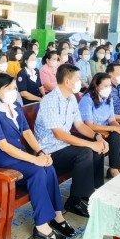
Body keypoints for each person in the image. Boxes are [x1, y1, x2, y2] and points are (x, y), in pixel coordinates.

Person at [0, 73, 76, 239]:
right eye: (9, 89)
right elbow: (3, 146)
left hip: (17, 154)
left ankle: (56, 215)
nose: (13, 92)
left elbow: (26, 132)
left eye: (15, 88)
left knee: (48, 166)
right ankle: (41, 226)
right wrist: (34, 160)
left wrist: (40, 152)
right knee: (37, 170)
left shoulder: (16, 107)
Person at [35, 64, 108, 217]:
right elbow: (59, 135)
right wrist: (90, 144)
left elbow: (79, 124)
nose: (80, 82)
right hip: (49, 150)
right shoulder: (50, 100)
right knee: (85, 153)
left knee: (97, 149)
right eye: (77, 79)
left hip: (64, 145)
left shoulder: (71, 99)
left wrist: (97, 137)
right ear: (67, 82)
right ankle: (75, 201)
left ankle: (90, 194)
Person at [79, 73, 120, 178]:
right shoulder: (87, 99)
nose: (108, 88)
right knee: (116, 137)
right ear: (96, 85)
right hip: (92, 131)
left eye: (109, 85)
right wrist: (115, 128)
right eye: (105, 86)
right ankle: (113, 169)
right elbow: (89, 125)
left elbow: (111, 119)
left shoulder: (108, 98)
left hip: (106, 128)